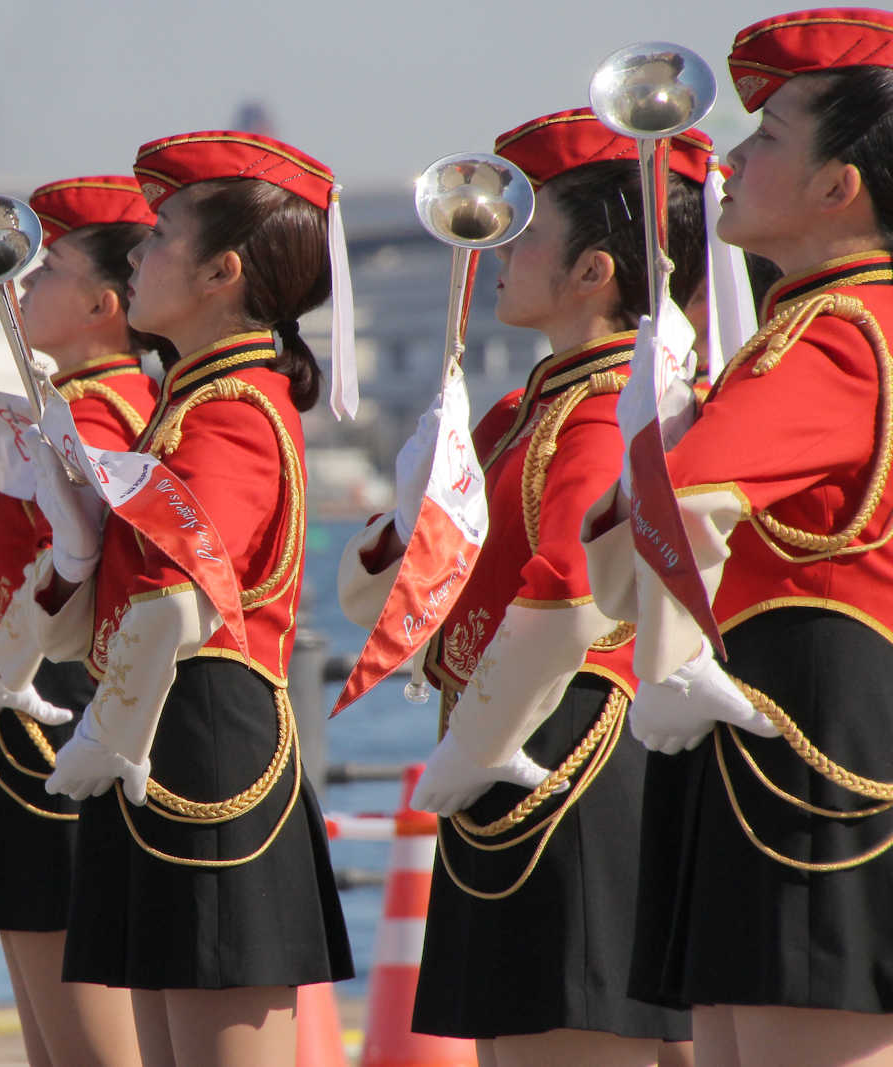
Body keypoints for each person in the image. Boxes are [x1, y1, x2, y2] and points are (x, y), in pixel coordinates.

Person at [339, 110, 716, 1066]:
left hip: (565, 757)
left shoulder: (607, 413)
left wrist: (472, 746)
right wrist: (407, 520)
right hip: (509, 752)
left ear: (594, 272)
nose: (502, 250)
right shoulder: (523, 408)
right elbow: (403, 608)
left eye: (529, 232)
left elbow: (567, 595)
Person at [582, 10, 893, 1065]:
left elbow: (687, 503)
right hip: (770, 720)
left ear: (837, 186)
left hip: (802, 731)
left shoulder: (836, 330)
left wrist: (665, 657)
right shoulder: (809, 323)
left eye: (767, 137)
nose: (733, 159)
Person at [28, 130, 355, 1066]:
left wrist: (105, 732)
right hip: (163, 735)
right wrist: (73, 545)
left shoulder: (231, 409)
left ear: (222, 272)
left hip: (205, 743)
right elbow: (114, 613)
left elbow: (179, 601)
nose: (139, 253)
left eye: (163, 234)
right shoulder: (191, 404)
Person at [0, 174, 161, 1067]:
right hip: (12, 718)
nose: (20, 285)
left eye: (46, 271)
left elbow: (87, 593)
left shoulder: (112, 419)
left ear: (103, 304)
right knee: (50, 1042)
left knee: (90, 1045)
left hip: (63, 712)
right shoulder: (46, 415)